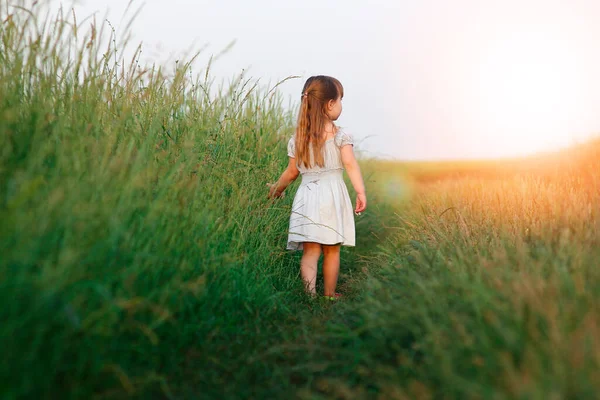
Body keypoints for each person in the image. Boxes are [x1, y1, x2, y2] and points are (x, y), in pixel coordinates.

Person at [268, 75, 367, 300]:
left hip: (307, 197)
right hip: (332, 196)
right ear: (330, 104)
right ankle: (330, 294)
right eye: (340, 99)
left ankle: (309, 296)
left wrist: (277, 189)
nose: (341, 105)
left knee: (311, 251)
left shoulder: (299, 139)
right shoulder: (341, 135)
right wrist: (360, 191)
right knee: (332, 250)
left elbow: (291, 172)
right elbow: (350, 164)